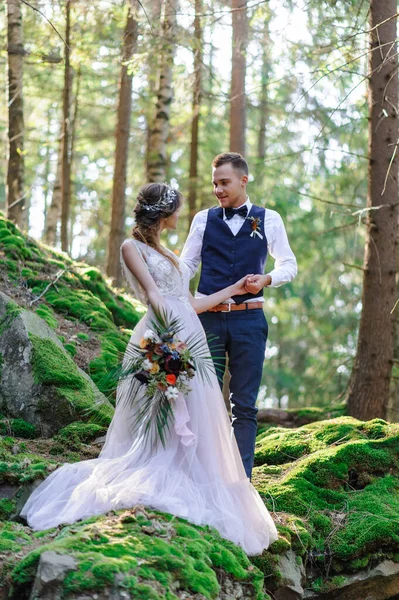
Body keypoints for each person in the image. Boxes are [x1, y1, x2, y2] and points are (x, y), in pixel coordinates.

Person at [21, 182, 278, 556]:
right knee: (161, 410)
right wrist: (169, 344)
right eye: (177, 210)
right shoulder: (131, 247)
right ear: (164, 213)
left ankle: (190, 476)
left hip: (188, 331)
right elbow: (155, 297)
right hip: (161, 335)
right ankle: (151, 477)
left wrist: (234, 289)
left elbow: (190, 301)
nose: (180, 217)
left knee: (197, 411)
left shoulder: (167, 252)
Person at [181, 153, 297, 479]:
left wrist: (268, 279)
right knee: (203, 400)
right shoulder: (203, 220)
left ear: (243, 181)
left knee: (244, 405)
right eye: (214, 183)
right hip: (208, 321)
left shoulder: (269, 219)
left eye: (224, 183)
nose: (217, 189)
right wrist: (174, 289)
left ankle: (240, 483)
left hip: (250, 320)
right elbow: (187, 264)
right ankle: (202, 477)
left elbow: (289, 263)